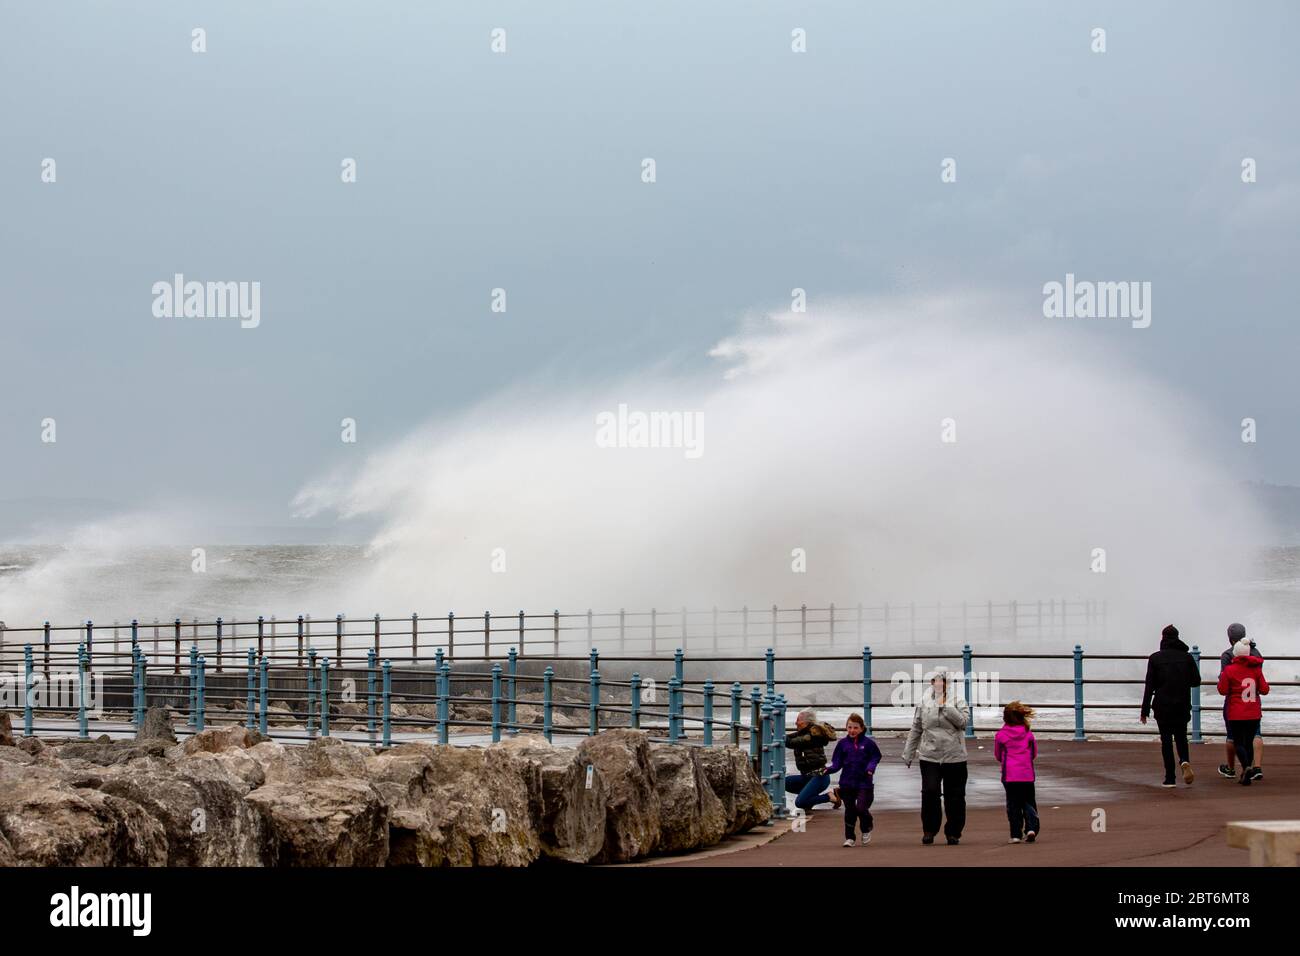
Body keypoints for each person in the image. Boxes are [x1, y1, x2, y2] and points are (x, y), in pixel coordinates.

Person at [902, 668, 970, 845]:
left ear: (948, 683)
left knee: (954, 796)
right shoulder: (924, 701)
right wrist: (909, 752)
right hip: (929, 755)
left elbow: (963, 723)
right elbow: (916, 727)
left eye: (943, 681)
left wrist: (945, 705)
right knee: (930, 792)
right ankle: (929, 830)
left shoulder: (958, 700)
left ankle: (953, 832)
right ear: (932, 682)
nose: (939, 684)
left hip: (954, 756)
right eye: (936, 681)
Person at [1140, 624, 1200, 787]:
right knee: (1181, 737)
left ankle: (1170, 778)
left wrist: (1144, 710)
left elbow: (1149, 686)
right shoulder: (1187, 657)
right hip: (1182, 704)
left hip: (1162, 705)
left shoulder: (1155, 658)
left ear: (1163, 638)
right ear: (1177, 637)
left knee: (1166, 741)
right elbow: (1196, 681)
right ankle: (1185, 761)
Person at [824, 713, 881, 846]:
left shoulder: (869, 744)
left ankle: (866, 828)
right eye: (849, 727)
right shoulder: (842, 744)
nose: (852, 730)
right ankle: (850, 838)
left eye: (855, 728)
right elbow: (837, 763)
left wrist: (870, 768)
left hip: (864, 782)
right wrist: (828, 770)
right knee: (850, 810)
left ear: (861, 728)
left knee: (861, 809)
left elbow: (876, 757)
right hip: (847, 782)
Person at [1218, 638, 1269, 786]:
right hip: (1253, 712)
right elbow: (1265, 690)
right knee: (1248, 742)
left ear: (1235, 654)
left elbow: (1222, 690)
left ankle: (1246, 767)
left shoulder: (1229, 670)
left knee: (1239, 742)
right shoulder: (1256, 669)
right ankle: (1248, 771)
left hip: (1236, 712)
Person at [994, 701, 1040, 844]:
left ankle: (1015, 834)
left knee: (1013, 804)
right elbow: (1033, 753)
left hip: (1010, 775)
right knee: (1028, 802)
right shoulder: (1028, 734)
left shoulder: (1001, 735)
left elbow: (998, 755)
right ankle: (1031, 828)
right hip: (1026, 774)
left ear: (1005, 718)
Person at [783, 710, 841, 812]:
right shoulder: (803, 733)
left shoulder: (811, 736)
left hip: (820, 777)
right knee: (782, 783)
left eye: (798, 720)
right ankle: (809, 798)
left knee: (799, 803)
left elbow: (790, 743)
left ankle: (829, 796)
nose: (796, 723)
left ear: (807, 723)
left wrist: (774, 728)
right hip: (806, 777)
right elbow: (787, 738)